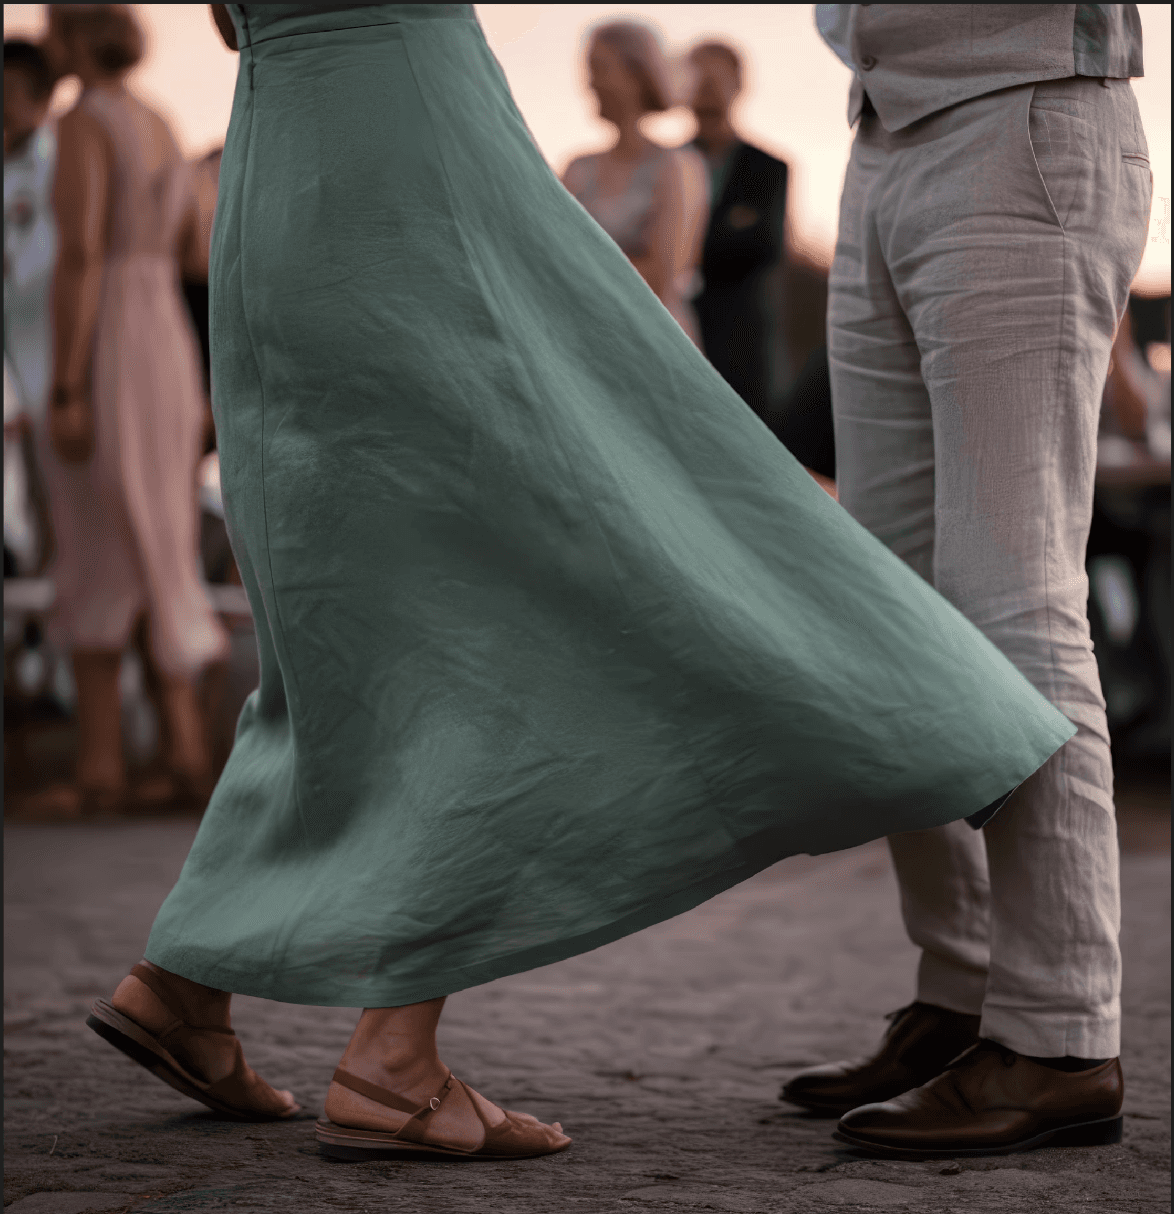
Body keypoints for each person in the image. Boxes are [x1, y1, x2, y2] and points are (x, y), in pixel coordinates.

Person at [86, 3, 1075, 1164]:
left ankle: (184, 982)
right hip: (413, 139)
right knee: (513, 574)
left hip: (283, 158)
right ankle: (393, 1055)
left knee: (352, 599)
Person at [780, 3, 1152, 1159]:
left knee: (1013, 602)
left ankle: (1057, 1033)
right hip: (883, 134)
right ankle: (965, 984)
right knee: (890, 619)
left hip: (1024, 115)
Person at [29, 4, 229, 818]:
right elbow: (191, 251)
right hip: (167, 341)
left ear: (70, 35)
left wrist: (67, 384)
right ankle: (184, 756)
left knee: (96, 543)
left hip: (109, 332)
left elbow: (79, 253)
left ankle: (102, 768)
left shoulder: (85, 121)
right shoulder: (159, 120)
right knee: (162, 537)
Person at [562, 20, 709, 345]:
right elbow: (551, 259)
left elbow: (661, 279)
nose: (590, 83)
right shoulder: (577, 169)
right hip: (582, 340)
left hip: (653, 342)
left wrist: (577, 268)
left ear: (636, 76)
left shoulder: (679, 168)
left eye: (600, 68)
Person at [686, 40, 788, 425]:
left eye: (714, 79)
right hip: (675, 332)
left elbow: (764, 246)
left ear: (738, 85)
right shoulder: (665, 166)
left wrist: (681, 245)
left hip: (742, 341)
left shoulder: (768, 168)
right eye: (696, 78)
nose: (704, 89)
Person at [4, 39, 59, 576]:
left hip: (46, 348)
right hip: (13, 360)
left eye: (13, 91)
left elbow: (49, 252)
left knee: (51, 493)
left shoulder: (54, 162)